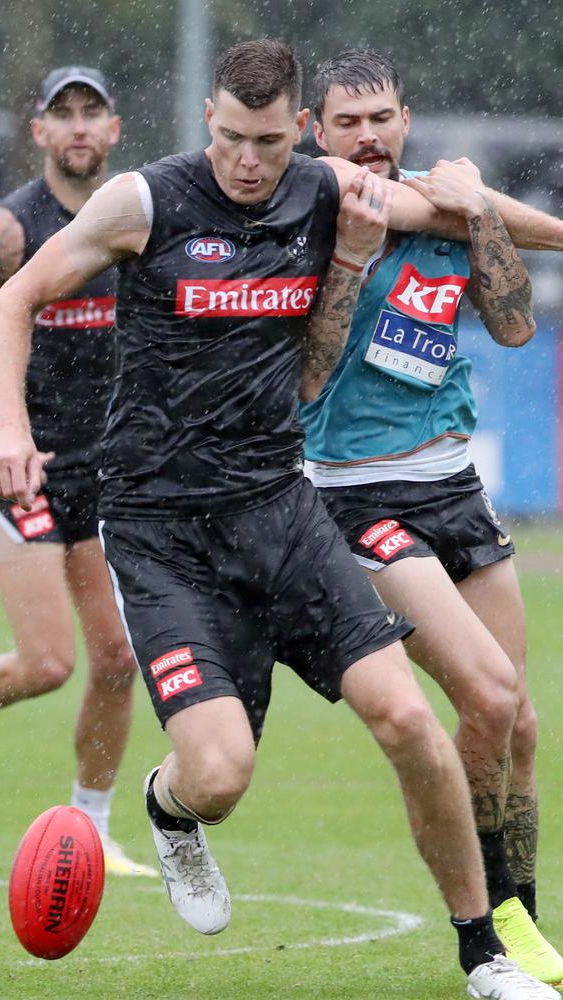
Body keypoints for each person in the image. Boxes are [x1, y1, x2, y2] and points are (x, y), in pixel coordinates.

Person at [0, 39, 560, 1000]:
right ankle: (170, 811)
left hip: (280, 507)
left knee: (412, 717)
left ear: (297, 130)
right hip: (160, 528)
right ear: (210, 119)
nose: (251, 163)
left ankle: (484, 954)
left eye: (268, 143)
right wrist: (7, 426)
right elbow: (14, 299)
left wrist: (523, 218)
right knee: (222, 775)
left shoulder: (324, 188)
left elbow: (456, 210)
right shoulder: (146, 201)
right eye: (234, 139)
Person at [300, 46, 563, 984]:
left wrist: (481, 208)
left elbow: (516, 326)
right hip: (353, 495)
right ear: (314, 133)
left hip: (454, 487)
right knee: (486, 699)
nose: (366, 139)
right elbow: (306, 374)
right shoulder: (312, 207)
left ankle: (520, 929)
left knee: (518, 724)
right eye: (347, 123)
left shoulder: (449, 210)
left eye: (381, 120)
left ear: (405, 120)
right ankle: (483, 938)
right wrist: (373, 247)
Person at [0, 66, 158, 879]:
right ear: (40, 133)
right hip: (22, 469)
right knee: (50, 664)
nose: (81, 127)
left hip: (106, 469)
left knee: (120, 658)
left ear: (116, 129)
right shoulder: (4, 233)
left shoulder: (138, 219)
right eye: (65, 115)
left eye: (94, 112)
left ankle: (90, 830)